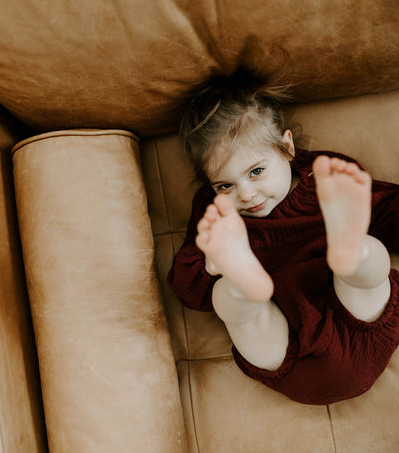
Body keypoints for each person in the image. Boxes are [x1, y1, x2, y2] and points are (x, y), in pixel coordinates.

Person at [167, 66, 399, 405]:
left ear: (287, 148)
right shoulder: (219, 215)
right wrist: (213, 263)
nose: (245, 194)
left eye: (256, 171)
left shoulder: (325, 177)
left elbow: (388, 209)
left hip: (358, 324)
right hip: (289, 353)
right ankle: (242, 282)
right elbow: (188, 289)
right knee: (229, 300)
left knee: (367, 259)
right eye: (225, 185)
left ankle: (349, 248)